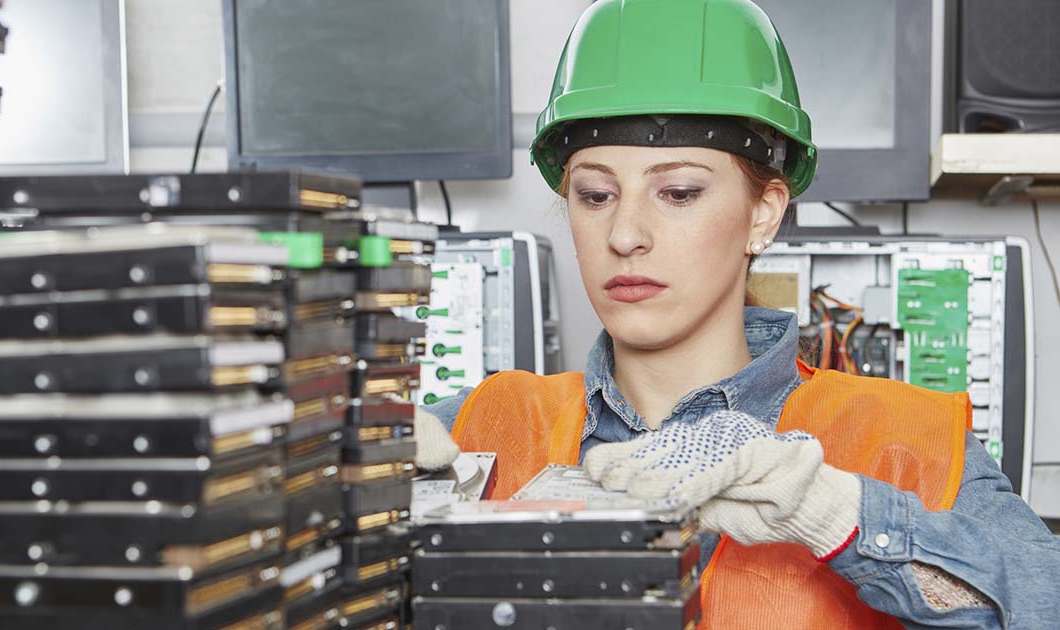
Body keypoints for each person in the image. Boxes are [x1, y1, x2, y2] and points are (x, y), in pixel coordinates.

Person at [411, 0, 1060, 628]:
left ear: (763, 213)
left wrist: (840, 515)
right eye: (596, 194)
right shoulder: (478, 429)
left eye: (679, 192)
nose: (625, 233)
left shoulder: (906, 443)